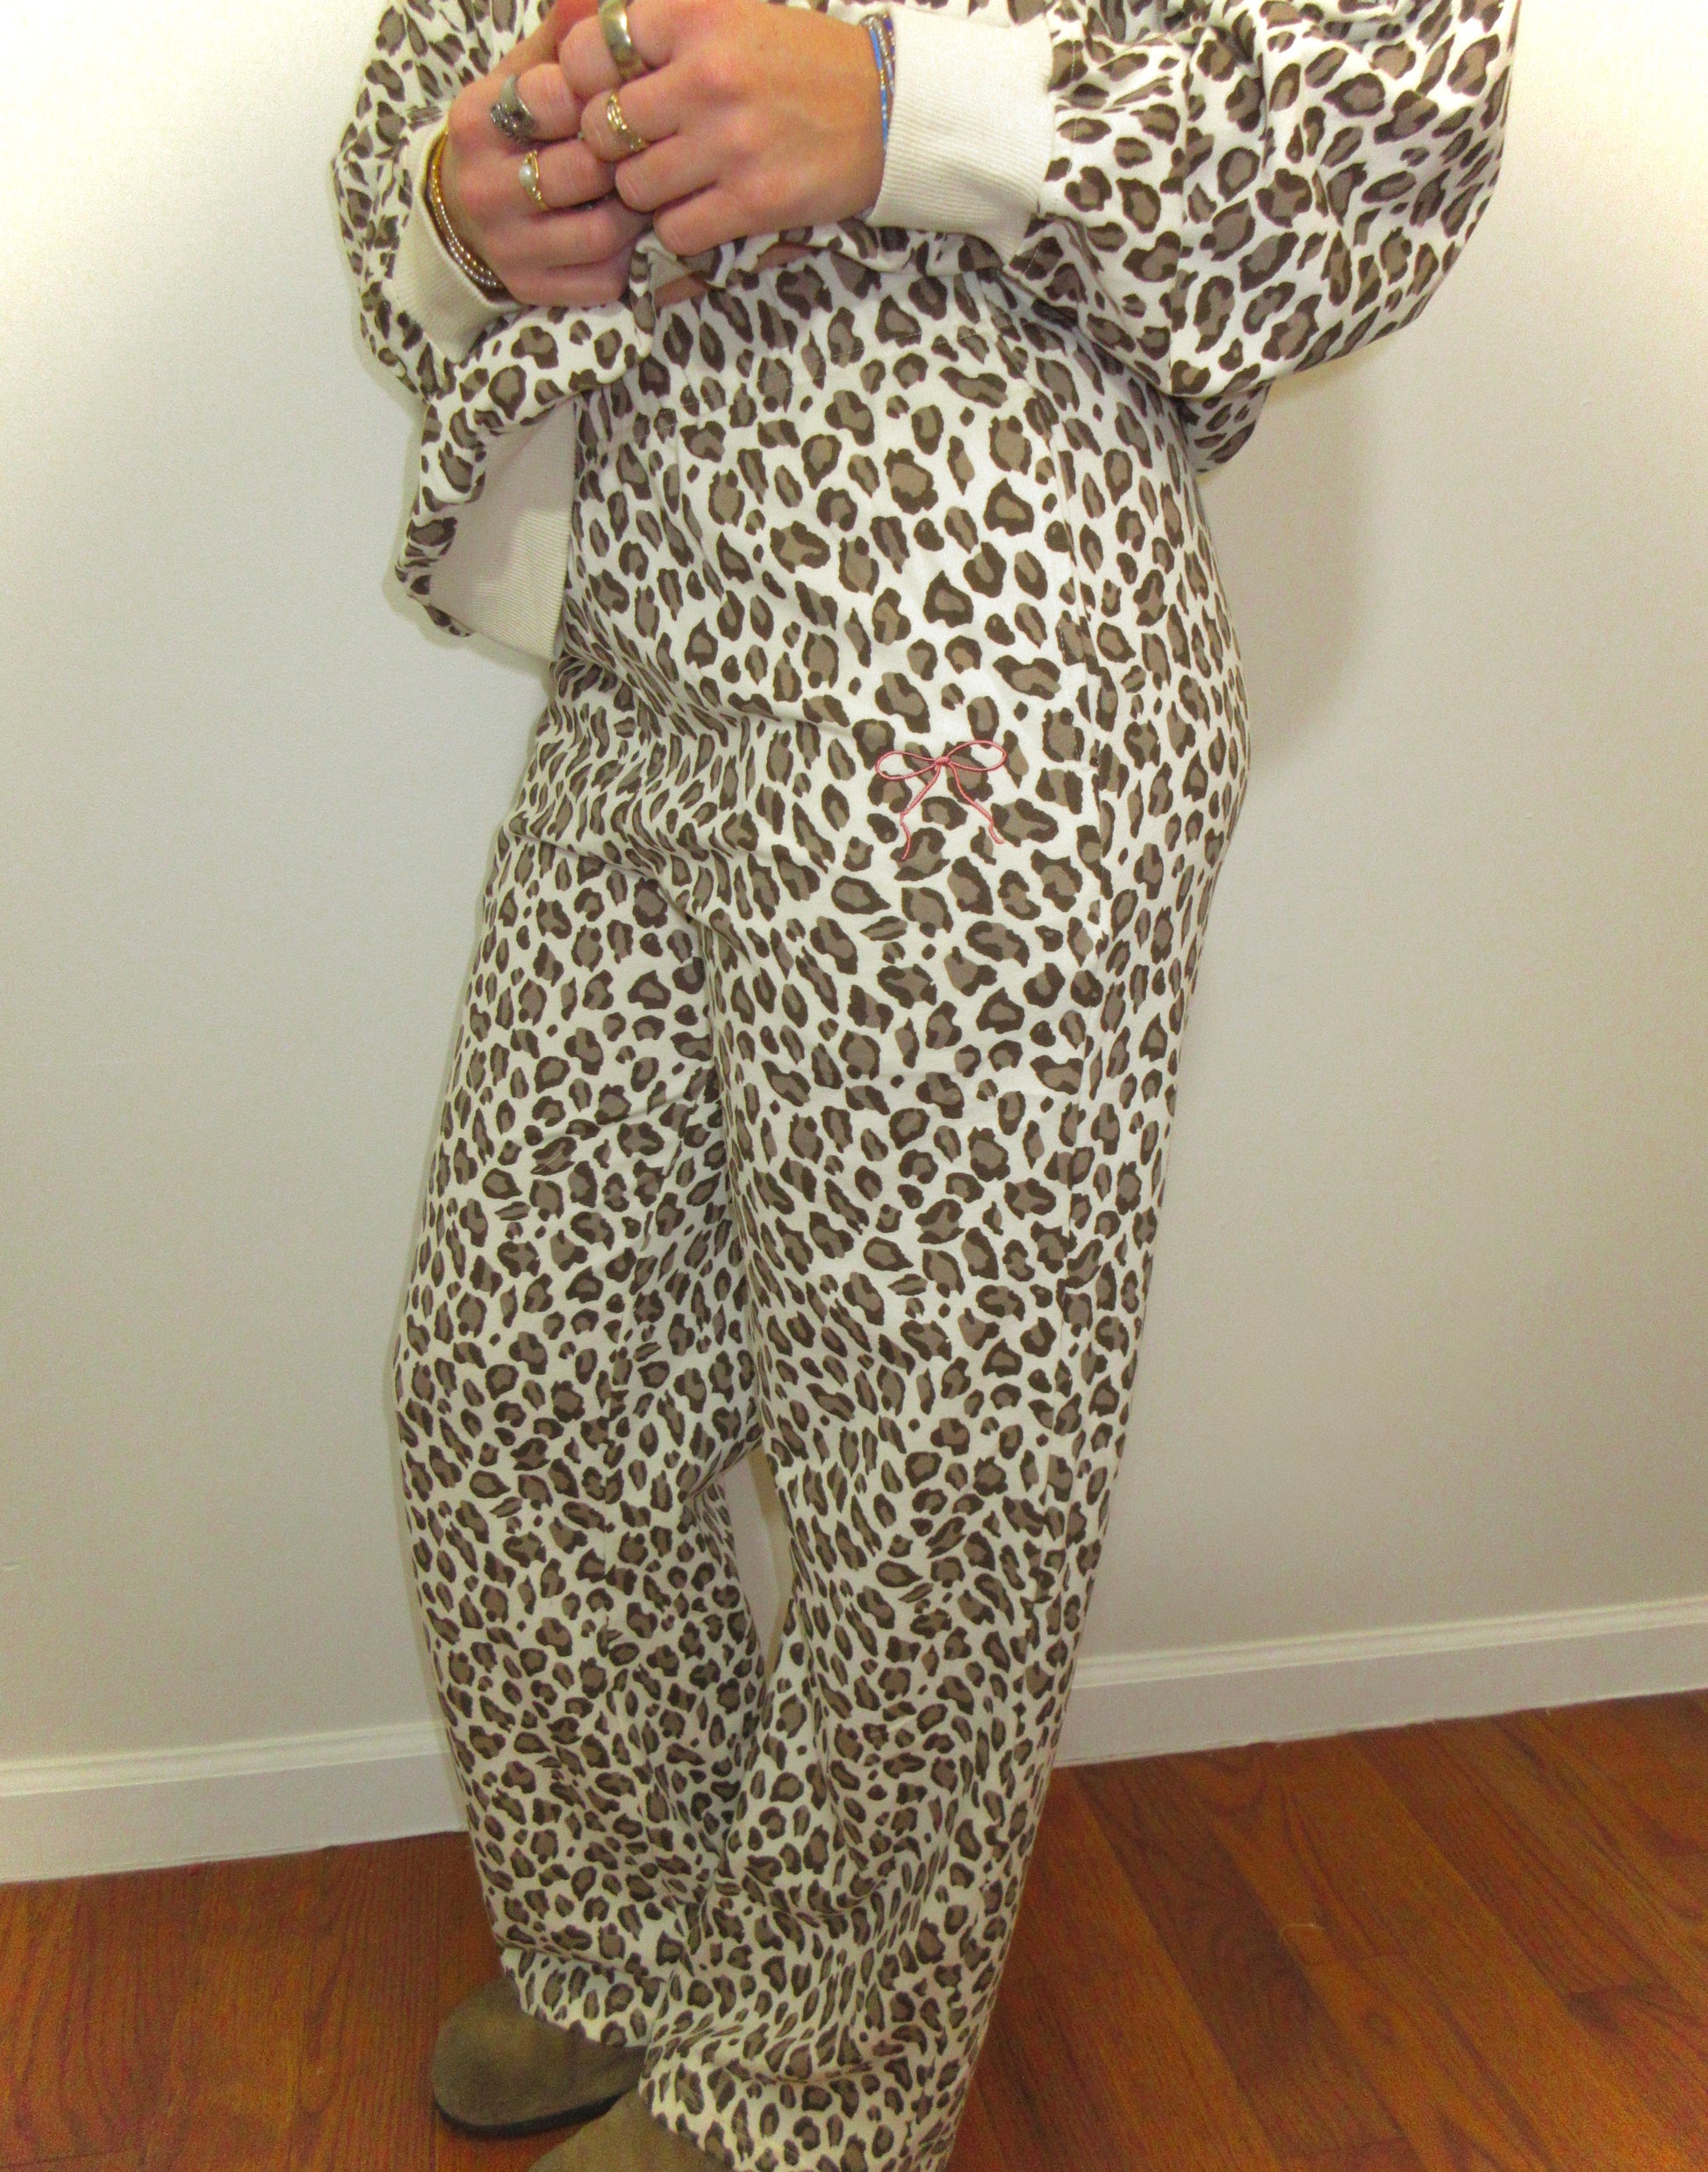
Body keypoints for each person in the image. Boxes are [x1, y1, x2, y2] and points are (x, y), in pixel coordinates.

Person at [334, 0, 1518, 2165]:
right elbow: (406, 135)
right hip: (643, 663)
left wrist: (905, 109)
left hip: (976, 663)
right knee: (521, 1372)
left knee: (929, 1457)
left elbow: (1385, 135)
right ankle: (631, 1942)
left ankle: (804, 2093)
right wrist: (453, 208)